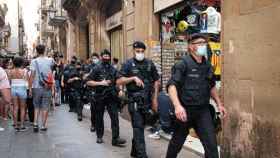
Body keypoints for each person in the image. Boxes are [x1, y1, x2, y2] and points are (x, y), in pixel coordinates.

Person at [165, 33, 227, 158]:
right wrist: (177, 106)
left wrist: (219, 104)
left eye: (204, 44)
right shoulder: (183, 64)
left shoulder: (208, 66)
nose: (203, 46)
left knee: (212, 146)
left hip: (202, 111)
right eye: (200, 43)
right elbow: (171, 86)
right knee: (176, 144)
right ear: (191, 46)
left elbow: (212, 86)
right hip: (185, 111)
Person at [116, 41, 160, 158]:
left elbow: (156, 80)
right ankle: (142, 155)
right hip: (134, 101)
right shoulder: (128, 64)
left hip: (148, 101)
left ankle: (134, 151)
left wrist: (155, 99)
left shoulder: (150, 64)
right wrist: (133, 78)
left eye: (142, 51)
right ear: (133, 51)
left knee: (141, 126)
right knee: (138, 127)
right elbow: (119, 81)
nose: (140, 53)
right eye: (137, 51)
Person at [86, 49, 126, 146]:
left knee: (115, 117)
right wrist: (101, 83)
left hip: (111, 96)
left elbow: (119, 80)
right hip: (99, 96)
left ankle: (115, 139)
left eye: (108, 56)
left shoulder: (113, 69)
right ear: (101, 57)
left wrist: (120, 89)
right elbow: (88, 81)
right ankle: (99, 136)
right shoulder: (96, 68)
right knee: (99, 117)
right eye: (105, 56)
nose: (106, 58)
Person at [29, 44, 55, 132]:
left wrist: (30, 88)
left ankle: (35, 124)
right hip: (47, 86)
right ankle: (43, 125)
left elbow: (32, 76)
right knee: (45, 106)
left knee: (36, 106)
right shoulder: (50, 60)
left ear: (36, 51)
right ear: (45, 51)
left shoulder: (33, 61)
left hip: (36, 87)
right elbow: (51, 72)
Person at [9, 57, 29, 131]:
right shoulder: (24, 71)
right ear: (21, 63)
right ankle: (22, 125)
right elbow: (26, 81)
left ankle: (16, 125)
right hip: (22, 88)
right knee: (23, 108)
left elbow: (10, 82)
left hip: (13, 88)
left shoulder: (11, 71)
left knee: (15, 107)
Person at [84, 53, 99, 132]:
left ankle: (98, 125)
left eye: (96, 58)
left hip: (101, 90)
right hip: (92, 90)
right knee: (93, 109)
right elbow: (84, 77)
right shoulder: (89, 67)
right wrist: (90, 73)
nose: (94, 59)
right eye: (93, 58)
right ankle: (93, 125)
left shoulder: (100, 66)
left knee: (99, 110)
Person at [0, 66, 11, 131]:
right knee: (7, 101)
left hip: (3, 87)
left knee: (6, 101)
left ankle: (3, 116)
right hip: (3, 87)